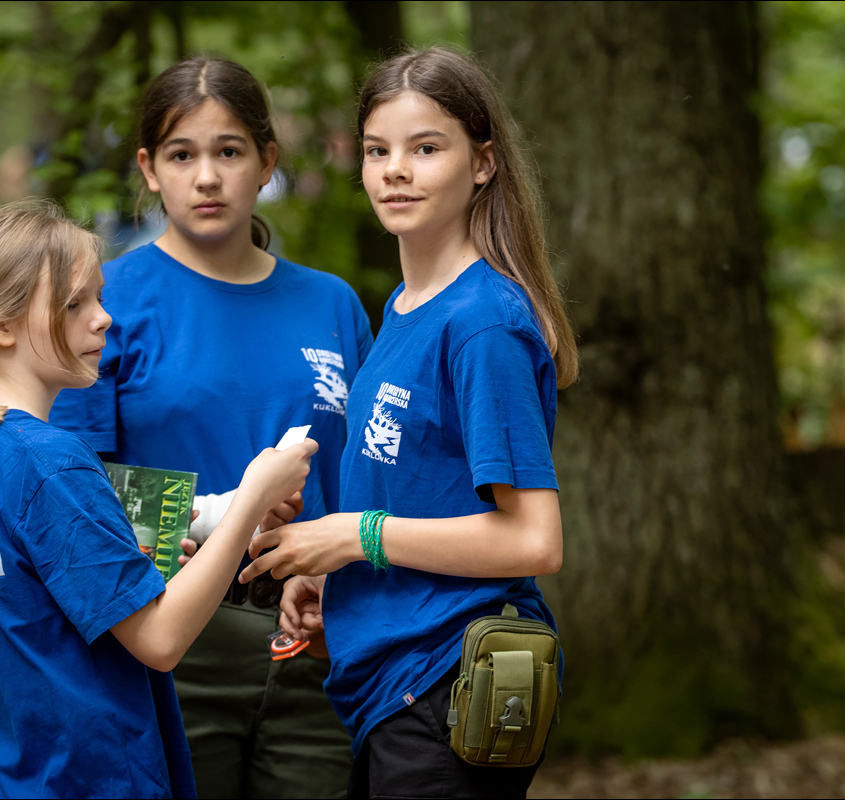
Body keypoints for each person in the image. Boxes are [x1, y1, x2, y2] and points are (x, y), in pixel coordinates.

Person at [240, 47, 578, 799]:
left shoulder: (484, 322)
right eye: (377, 151)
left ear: (482, 163)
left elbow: (534, 540)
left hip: (449, 684)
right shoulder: (400, 311)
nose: (395, 170)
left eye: (426, 148)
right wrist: (340, 579)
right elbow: (422, 502)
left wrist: (353, 537)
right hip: (389, 692)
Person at [0, 200, 316, 799]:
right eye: (73, 304)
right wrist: (254, 493)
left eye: (100, 298)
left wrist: (207, 522)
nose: (104, 318)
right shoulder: (50, 460)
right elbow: (160, 640)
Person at [50, 57, 370, 798]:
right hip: (171, 640)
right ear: (148, 169)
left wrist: (344, 570)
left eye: (229, 151)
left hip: (320, 637)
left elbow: (368, 473)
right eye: (180, 155)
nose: (206, 177)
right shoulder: (106, 300)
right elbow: (69, 493)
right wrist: (222, 512)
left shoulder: (332, 303)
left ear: (267, 162)